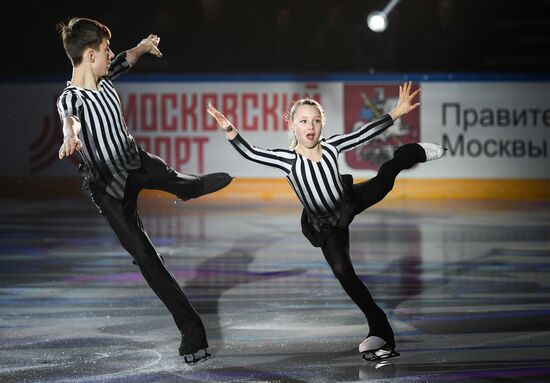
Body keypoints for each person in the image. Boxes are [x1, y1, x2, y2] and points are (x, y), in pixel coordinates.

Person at [207, 82, 445, 361]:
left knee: (386, 179)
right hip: (328, 225)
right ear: (292, 126)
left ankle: (412, 153)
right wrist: (229, 130)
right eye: (304, 121)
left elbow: (364, 133)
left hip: (349, 200)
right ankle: (381, 330)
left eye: (316, 121)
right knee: (344, 272)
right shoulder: (288, 160)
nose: (311, 126)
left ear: (322, 125)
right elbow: (252, 153)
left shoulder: (332, 146)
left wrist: (396, 112)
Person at [56, 17, 231, 364]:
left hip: (134, 161)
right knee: (148, 259)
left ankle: (191, 188)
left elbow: (125, 58)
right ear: (90, 56)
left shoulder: (105, 79)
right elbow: (70, 118)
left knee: (175, 179)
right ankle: (192, 333)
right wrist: (70, 136)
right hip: (108, 187)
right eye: (105, 51)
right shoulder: (70, 98)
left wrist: (143, 47)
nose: (110, 56)